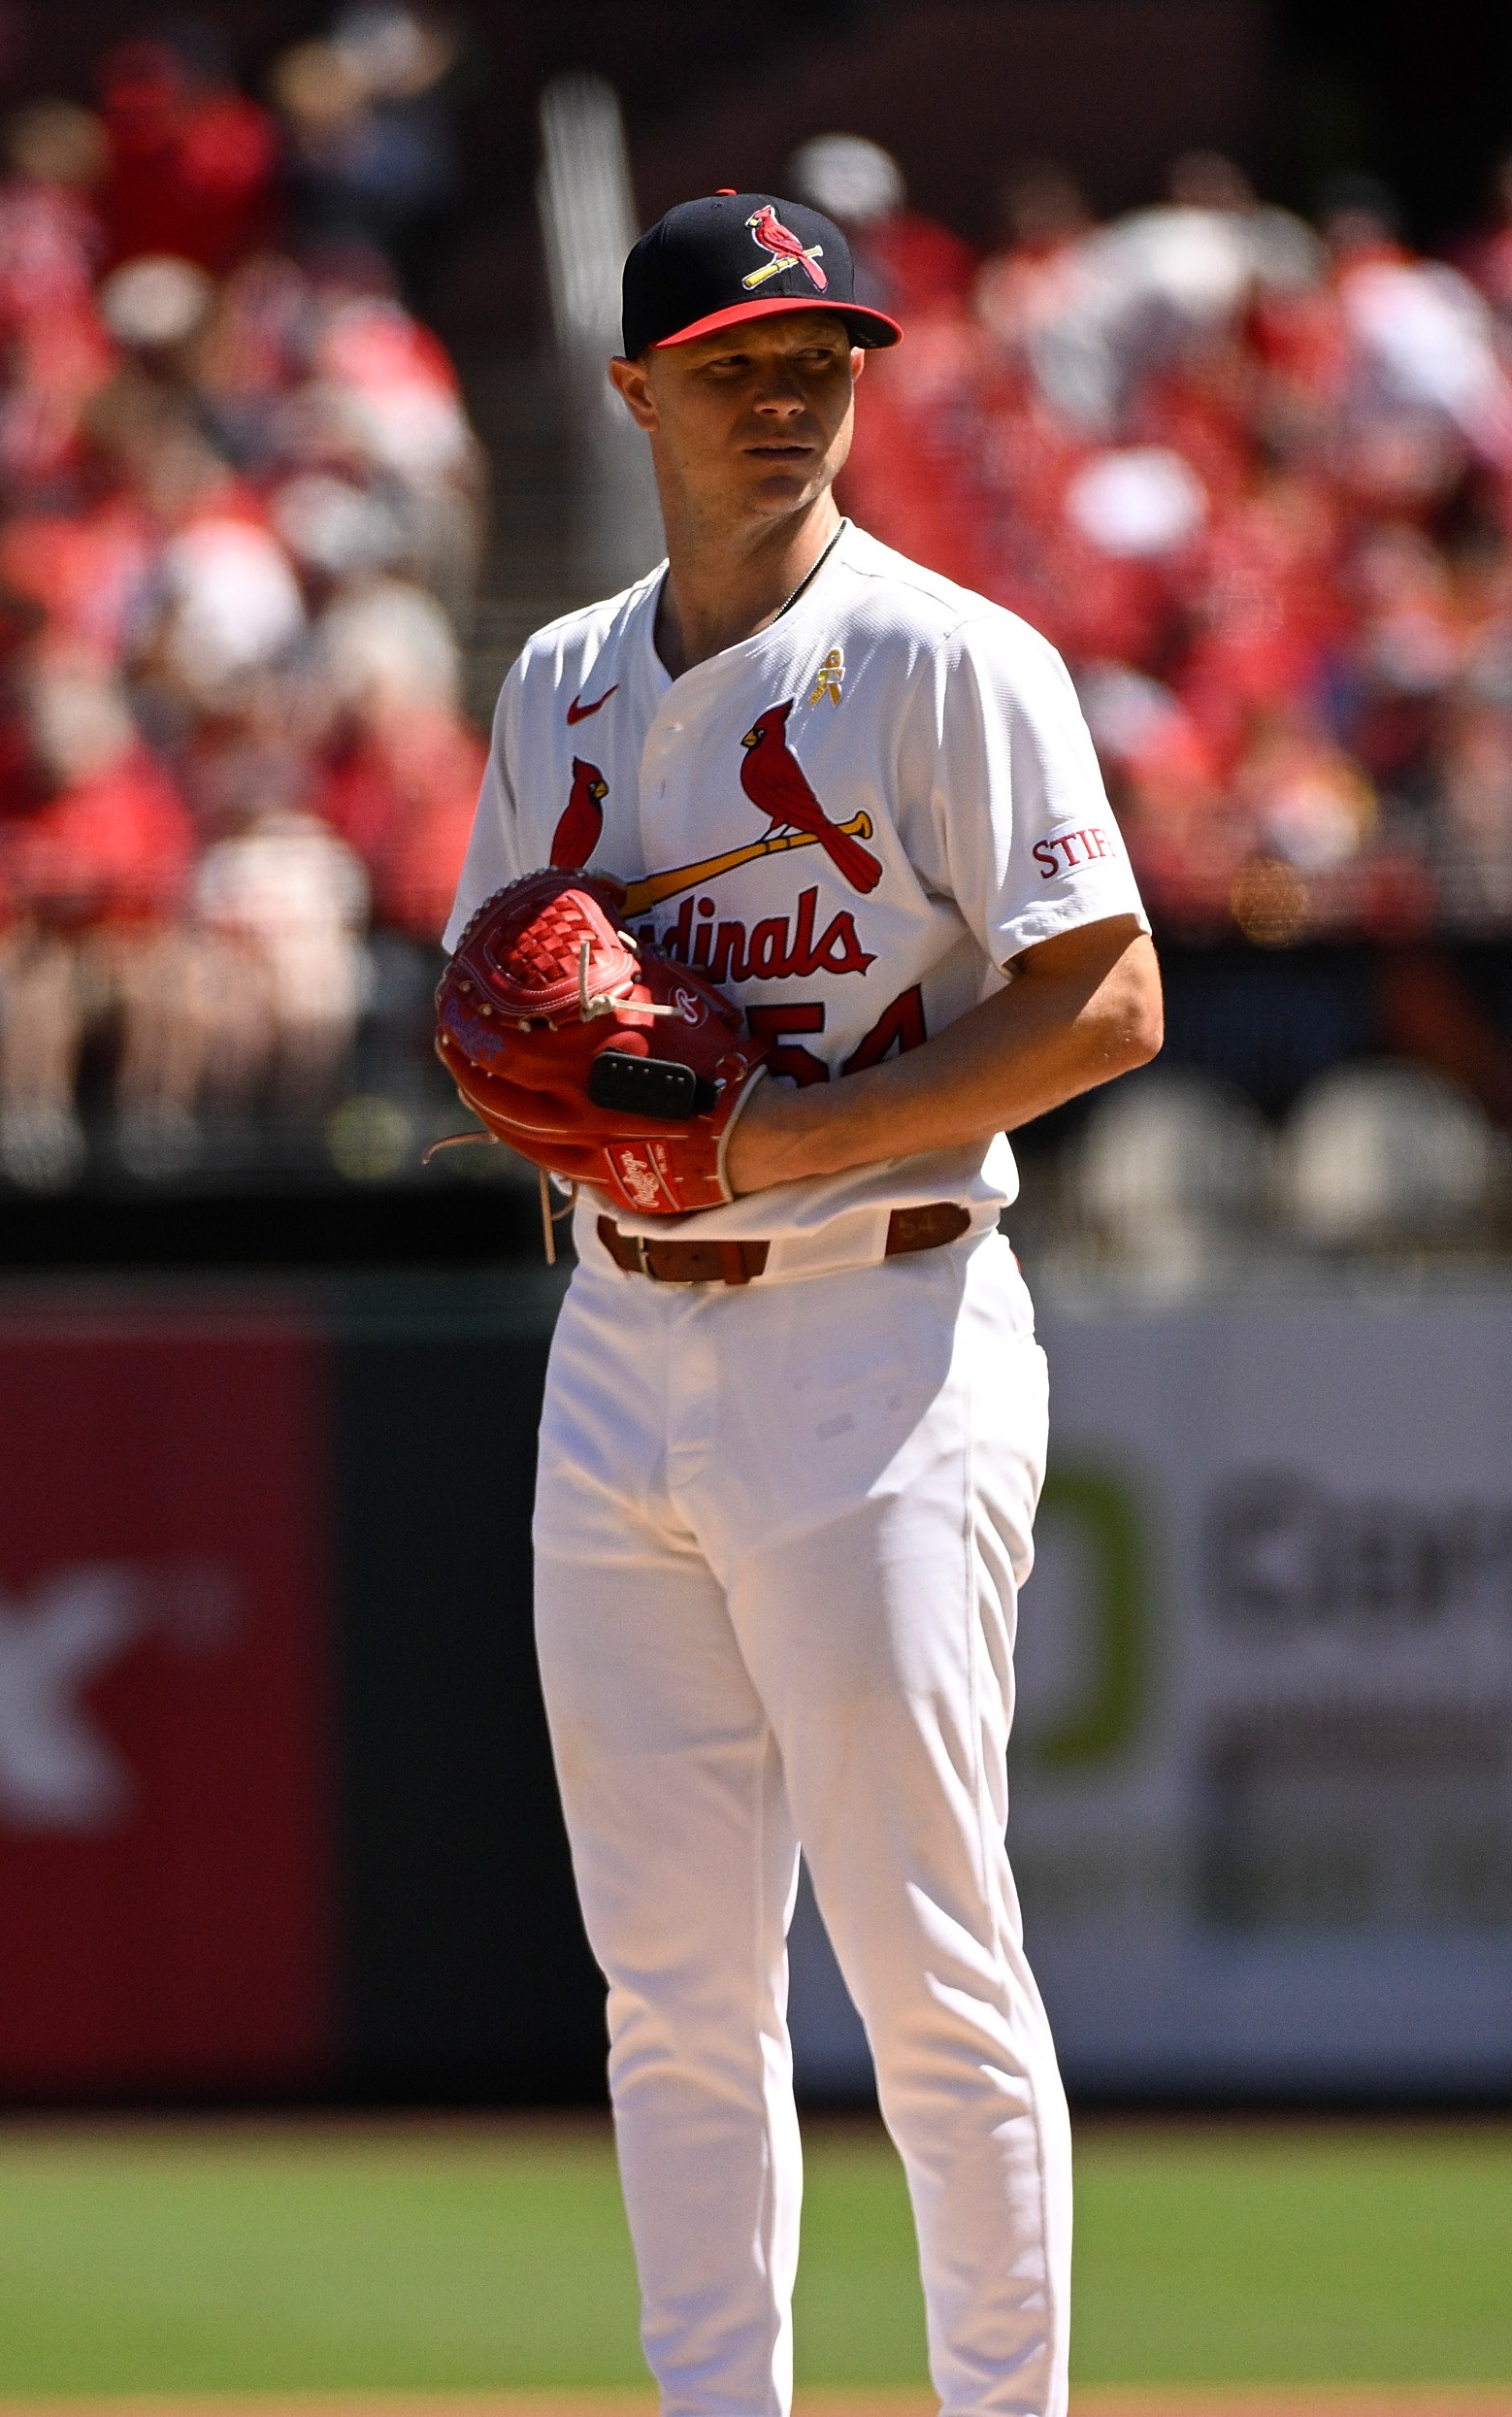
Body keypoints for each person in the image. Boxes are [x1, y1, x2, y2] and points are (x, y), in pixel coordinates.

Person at [450, 186, 1163, 2417]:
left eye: (821, 361)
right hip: (618, 1341)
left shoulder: (948, 656)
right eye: (743, 365)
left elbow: (1109, 994)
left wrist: (768, 1143)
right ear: (637, 389)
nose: (789, 401)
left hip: (883, 1331)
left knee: (928, 1968)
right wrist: (574, 1108)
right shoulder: (559, 676)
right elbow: (496, 1018)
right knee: (666, 1985)